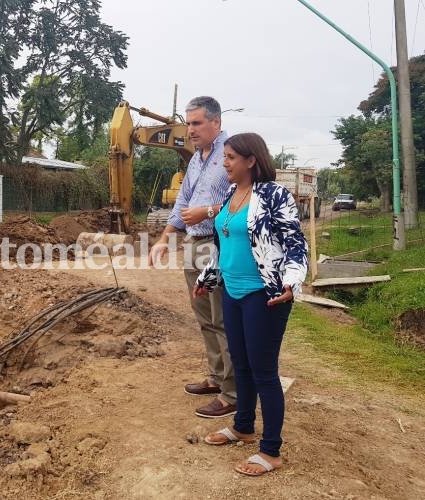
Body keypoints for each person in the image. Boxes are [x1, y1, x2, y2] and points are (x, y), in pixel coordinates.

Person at [194, 132, 308, 476]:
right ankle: (243, 427)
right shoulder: (231, 194)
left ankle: (271, 451)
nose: (224, 163)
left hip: (266, 295)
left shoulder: (274, 195)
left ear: (251, 160)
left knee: (264, 372)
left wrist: (291, 281)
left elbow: (295, 244)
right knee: (240, 364)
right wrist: (208, 277)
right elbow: (224, 244)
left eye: (230, 157)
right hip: (233, 291)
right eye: (224, 157)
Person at [149, 96, 237, 419]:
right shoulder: (196, 159)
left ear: (216, 122)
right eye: (188, 123)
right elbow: (182, 201)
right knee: (204, 317)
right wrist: (164, 239)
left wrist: (208, 211)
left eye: (197, 123)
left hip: (219, 244)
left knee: (223, 319)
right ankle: (215, 378)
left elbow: (242, 196)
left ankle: (232, 393)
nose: (191, 129)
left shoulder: (232, 153)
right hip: (194, 242)